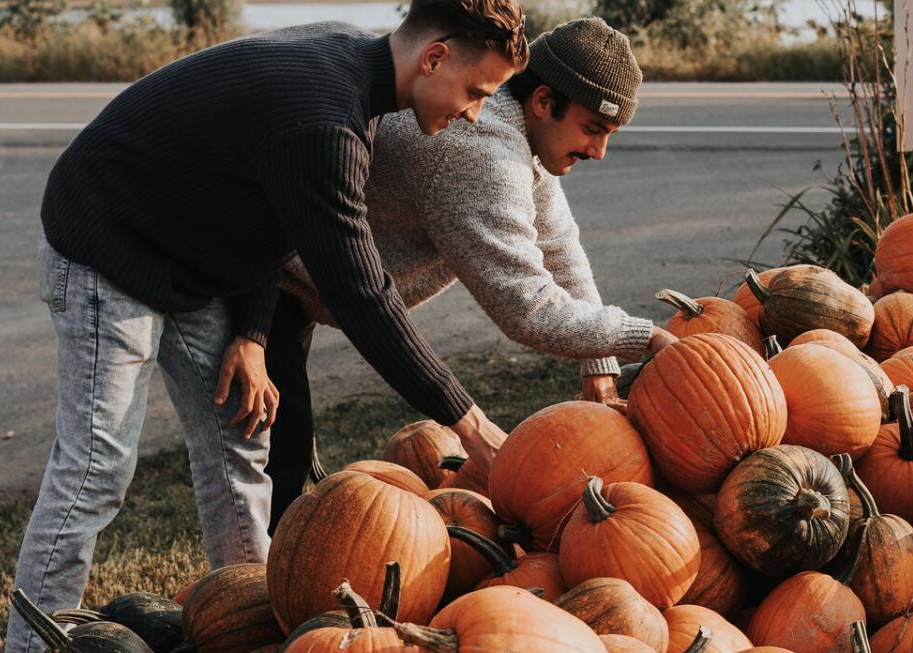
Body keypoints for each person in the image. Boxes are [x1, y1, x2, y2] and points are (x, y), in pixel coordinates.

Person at [0, 0, 528, 653]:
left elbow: (264, 207)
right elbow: (362, 296)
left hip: (192, 257)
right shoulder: (326, 120)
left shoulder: (351, 79)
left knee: (242, 441)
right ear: (434, 59)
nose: (471, 115)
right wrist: (467, 418)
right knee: (96, 465)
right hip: (105, 241)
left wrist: (252, 332)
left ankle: (251, 636)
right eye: (475, 93)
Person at [265, 17, 675, 520]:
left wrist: (600, 365)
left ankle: (274, 556)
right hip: (262, 272)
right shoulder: (478, 151)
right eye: (593, 129)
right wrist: (646, 337)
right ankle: (250, 580)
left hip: (298, 272)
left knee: (283, 443)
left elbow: (559, 247)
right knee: (261, 458)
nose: (599, 151)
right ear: (544, 102)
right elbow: (530, 309)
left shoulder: (515, 131)